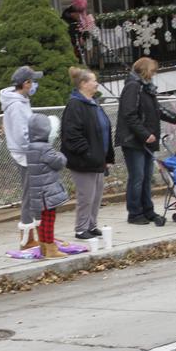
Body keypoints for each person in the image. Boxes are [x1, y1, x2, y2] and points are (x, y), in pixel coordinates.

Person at [116, 56, 176, 226]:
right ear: (145, 70)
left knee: (146, 177)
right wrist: (145, 134)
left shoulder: (145, 87)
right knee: (137, 177)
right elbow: (129, 114)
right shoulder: (133, 87)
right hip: (134, 141)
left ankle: (148, 210)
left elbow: (156, 109)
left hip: (145, 139)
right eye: (152, 71)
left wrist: (175, 117)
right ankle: (135, 212)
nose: (153, 74)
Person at [61, 66, 114, 240]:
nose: (96, 83)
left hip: (98, 158)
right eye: (93, 80)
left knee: (97, 195)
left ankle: (91, 225)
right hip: (84, 161)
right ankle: (81, 228)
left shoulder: (92, 103)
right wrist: (89, 153)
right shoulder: (75, 105)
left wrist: (105, 156)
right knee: (86, 196)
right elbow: (73, 135)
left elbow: (102, 129)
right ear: (83, 84)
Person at [0, 65, 43, 249]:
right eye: (32, 81)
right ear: (25, 83)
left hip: (27, 152)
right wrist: (34, 150)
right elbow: (21, 133)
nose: (35, 85)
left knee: (34, 194)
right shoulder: (17, 105)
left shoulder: (21, 101)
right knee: (29, 195)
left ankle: (33, 234)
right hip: (25, 154)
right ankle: (26, 238)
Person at [25, 113, 70, 259]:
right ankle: (51, 248)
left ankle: (44, 246)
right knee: (49, 219)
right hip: (47, 191)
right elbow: (59, 162)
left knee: (43, 220)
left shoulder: (31, 147)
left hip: (38, 191)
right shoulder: (44, 148)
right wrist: (62, 155)